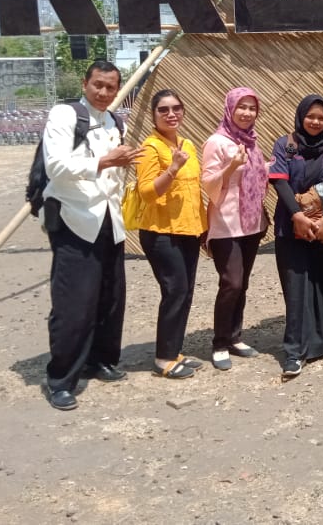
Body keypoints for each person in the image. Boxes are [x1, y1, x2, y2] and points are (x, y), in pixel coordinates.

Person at [42, 60, 141, 411]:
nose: (103, 92)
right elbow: (55, 165)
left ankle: (100, 359)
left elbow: (114, 173)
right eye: (98, 84)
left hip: (109, 219)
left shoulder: (114, 121)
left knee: (110, 297)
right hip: (74, 219)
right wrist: (105, 161)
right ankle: (61, 379)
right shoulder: (65, 115)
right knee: (74, 302)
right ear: (85, 83)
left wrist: (122, 165)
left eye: (110, 87)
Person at [268, 94, 323, 379]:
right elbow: (279, 181)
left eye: (321, 118)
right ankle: (294, 352)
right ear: (301, 117)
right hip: (292, 227)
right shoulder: (286, 145)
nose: (316, 122)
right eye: (310, 116)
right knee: (297, 289)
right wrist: (297, 216)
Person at [135, 89, 208, 380]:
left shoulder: (186, 144)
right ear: (153, 115)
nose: (171, 114)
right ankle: (163, 357)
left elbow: (194, 190)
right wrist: (173, 168)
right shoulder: (150, 148)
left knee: (185, 291)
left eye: (176, 108)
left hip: (189, 230)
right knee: (174, 290)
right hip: (161, 232)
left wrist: (203, 228)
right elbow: (147, 192)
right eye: (163, 110)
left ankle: (174, 350)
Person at [202, 87, 269, 371]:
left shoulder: (251, 142)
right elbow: (208, 184)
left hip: (250, 223)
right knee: (231, 282)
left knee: (243, 283)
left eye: (252, 108)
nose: (246, 113)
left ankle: (234, 336)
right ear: (230, 108)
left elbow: (258, 176)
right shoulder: (216, 142)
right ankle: (219, 343)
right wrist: (231, 167)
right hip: (226, 224)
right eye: (242, 107)